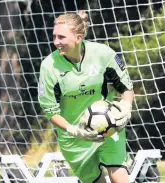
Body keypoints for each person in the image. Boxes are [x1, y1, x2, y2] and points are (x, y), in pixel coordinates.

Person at [38, 10, 134, 183]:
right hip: (74, 137)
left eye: (61, 37)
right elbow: (51, 111)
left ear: (79, 37)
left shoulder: (103, 54)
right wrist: (74, 130)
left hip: (109, 127)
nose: (56, 42)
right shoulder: (48, 67)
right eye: (54, 37)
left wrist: (126, 107)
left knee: (120, 177)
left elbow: (125, 87)